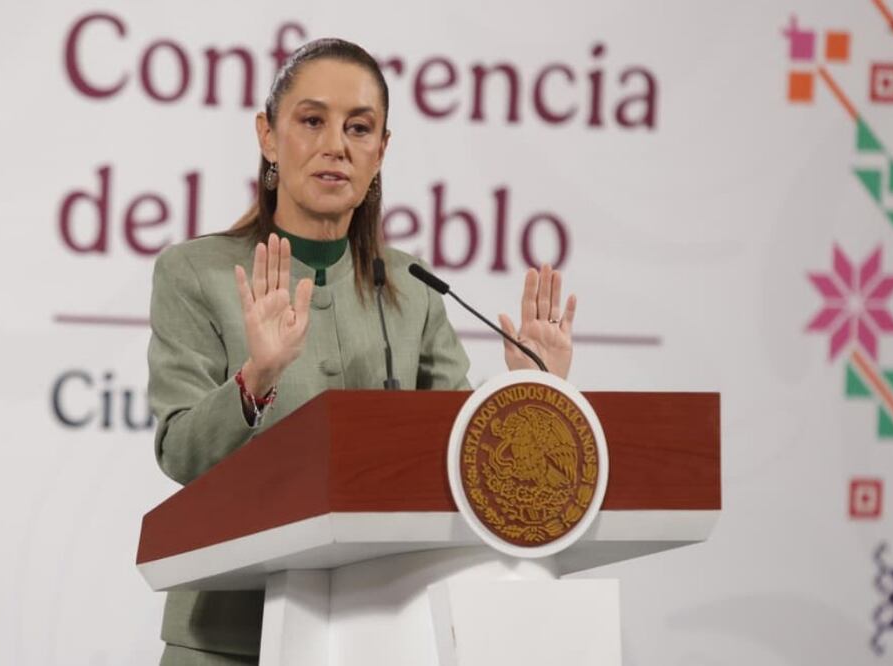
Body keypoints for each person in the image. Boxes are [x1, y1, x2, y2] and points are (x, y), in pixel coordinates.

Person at [146, 37, 578, 666]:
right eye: (312, 121)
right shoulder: (196, 272)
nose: (336, 146)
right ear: (268, 136)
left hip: (383, 632)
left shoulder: (412, 286)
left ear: (382, 149)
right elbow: (179, 452)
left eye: (359, 127)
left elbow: (462, 462)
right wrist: (256, 376)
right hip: (231, 637)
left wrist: (532, 395)